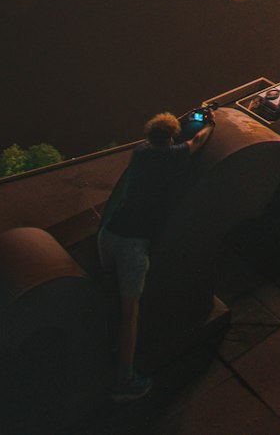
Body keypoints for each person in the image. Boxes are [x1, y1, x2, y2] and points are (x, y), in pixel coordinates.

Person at [97, 108, 215, 401]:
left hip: (109, 234)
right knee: (131, 313)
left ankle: (109, 346)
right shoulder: (172, 155)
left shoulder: (140, 152)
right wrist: (209, 121)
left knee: (110, 294)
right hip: (132, 243)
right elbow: (198, 141)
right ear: (171, 137)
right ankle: (124, 381)